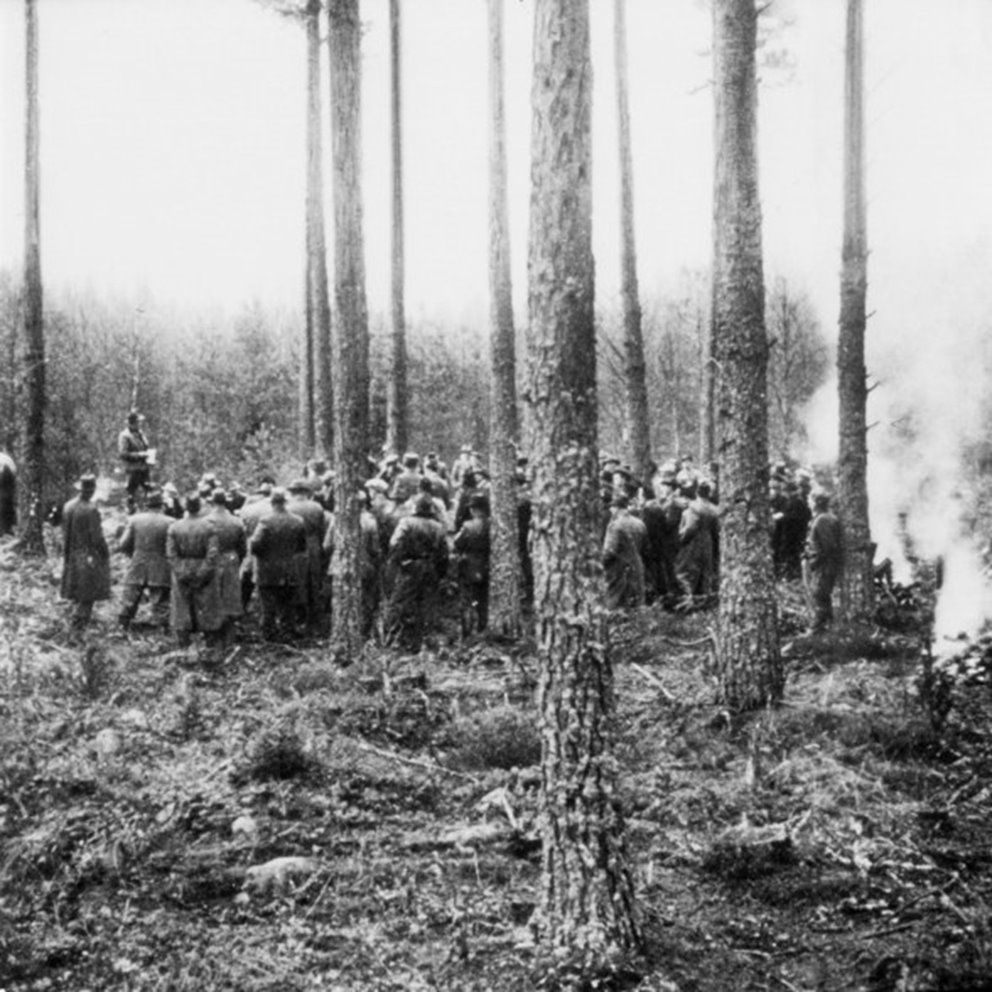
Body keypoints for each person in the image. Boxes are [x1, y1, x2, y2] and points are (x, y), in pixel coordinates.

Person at [385, 493, 449, 651]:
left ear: (415, 508)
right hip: (430, 568)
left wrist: (398, 562)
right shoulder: (438, 527)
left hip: (410, 567)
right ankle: (422, 643)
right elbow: (444, 553)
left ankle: (395, 641)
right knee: (425, 606)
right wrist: (440, 573)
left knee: (399, 604)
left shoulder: (406, 522)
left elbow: (394, 544)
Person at [249, 487, 307, 641]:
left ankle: (269, 633)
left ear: (272, 502)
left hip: (267, 569)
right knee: (287, 603)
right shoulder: (298, 520)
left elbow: (255, 544)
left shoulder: (265, 520)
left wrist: (262, 555)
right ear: (285, 502)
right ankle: (287, 631)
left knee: (268, 605)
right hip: (289, 568)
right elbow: (302, 546)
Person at [166, 493, 220, 647]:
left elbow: (171, 554)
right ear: (200, 507)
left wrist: (180, 571)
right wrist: (203, 572)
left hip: (181, 569)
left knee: (182, 606)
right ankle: (209, 644)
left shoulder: (175, 527)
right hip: (204, 570)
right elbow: (212, 554)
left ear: (185, 507)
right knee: (207, 605)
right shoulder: (209, 527)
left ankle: (184, 644)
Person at [61, 473, 112, 632]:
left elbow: (65, 532)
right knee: (88, 594)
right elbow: (97, 538)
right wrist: (105, 553)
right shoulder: (91, 509)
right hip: (88, 555)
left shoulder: (68, 506)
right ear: (92, 490)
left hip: (71, 554)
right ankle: (78, 630)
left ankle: (73, 624)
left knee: (75, 590)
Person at [116, 489, 172, 630]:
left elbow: (123, 544)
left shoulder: (135, 520)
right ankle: (161, 633)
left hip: (138, 563)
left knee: (129, 598)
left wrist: (134, 554)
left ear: (147, 505)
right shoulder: (171, 522)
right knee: (160, 602)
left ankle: (122, 628)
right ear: (162, 505)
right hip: (161, 565)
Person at [287, 478, 329, 635]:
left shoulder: (288, 507)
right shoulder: (316, 507)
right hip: (313, 546)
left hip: (293, 549)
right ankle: (314, 621)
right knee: (314, 583)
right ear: (307, 492)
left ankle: (298, 619)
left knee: (295, 583)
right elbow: (322, 529)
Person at [207, 489, 247, 646]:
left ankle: (212, 639)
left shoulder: (206, 521)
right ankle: (229, 639)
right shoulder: (236, 521)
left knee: (212, 598)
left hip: (212, 560)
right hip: (231, 560)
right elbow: (243, 548)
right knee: (230, 600)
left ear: (212, 502)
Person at [675, 479, 720, 609]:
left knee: (686, 571)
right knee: (705, 572)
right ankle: (703, 603)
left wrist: (681, 540)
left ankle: (687, 602)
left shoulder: (693, 507)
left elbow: (690, 528)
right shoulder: (714, 509)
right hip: (708, 542)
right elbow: (716, 529)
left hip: (693, 542)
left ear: (697, 492)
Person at [804, 492, 844, 632]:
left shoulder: (823, 520)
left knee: (819, 593)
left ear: (816, 502)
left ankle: (817, 628)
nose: (808, 503)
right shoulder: (824, 518)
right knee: (820, 594)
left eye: (810, 500)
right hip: (823, 562)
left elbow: (829, 546)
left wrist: (816, 560)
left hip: (824, 564)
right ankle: (827, 626)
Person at [453, 492, 491, 635]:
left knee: (467, 598)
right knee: (483, 599)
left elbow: (457, 543)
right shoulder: (492, 524)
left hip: (469, 565)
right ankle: (482, 627)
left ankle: (467, 630)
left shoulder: (468, 526)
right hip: (487, 564)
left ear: (474, 509)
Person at [602, 494, 647, 610]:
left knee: (615, 604)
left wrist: (600, 565)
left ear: (615, 508)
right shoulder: (640, 524)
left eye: (612, 508)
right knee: (635, 605)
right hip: (637, 568)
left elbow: (609, 551)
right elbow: (644, 546)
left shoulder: (615, 526)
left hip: (619, 571)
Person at [118, 411, 152, 513]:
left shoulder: (140, 433)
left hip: (144, 468)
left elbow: (145, 446)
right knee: (131, 494)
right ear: (131, 423)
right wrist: (139, 455)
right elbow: (123, 454)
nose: (140, 424)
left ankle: (147, 512)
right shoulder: (125, 436)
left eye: (140, 422)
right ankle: (130, 514)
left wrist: (149, 455)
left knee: (148, 491)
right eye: (138, 422)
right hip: (132, 470)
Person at [0, 449, 16, 536]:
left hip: (5, 486)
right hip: (9, 489)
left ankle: (4, 531)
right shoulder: (7, 459)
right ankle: (7, 530)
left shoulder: (4, 459)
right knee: (7, 508)